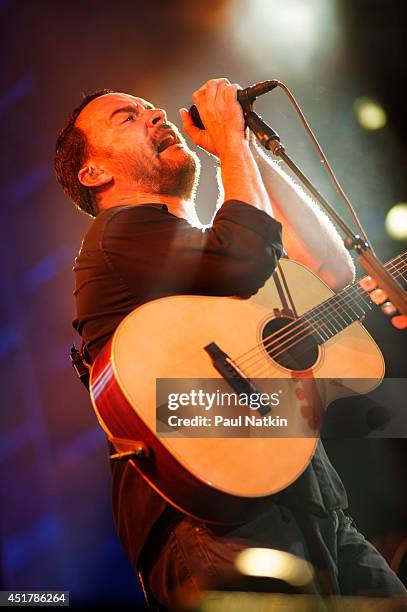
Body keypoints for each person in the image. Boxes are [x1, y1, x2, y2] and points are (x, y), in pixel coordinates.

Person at [55, 79, 406, 608]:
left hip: (313, 503)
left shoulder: (209, 251)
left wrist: (235, 148)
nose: (153, 115)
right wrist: (231, 144)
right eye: (127, 118)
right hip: (211, 524)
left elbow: (327, 270)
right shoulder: (117, 235)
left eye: (151, 108)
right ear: (95, 171)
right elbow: (242, 251)